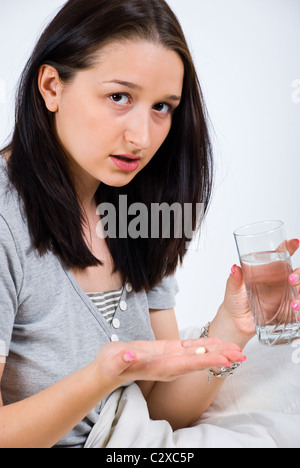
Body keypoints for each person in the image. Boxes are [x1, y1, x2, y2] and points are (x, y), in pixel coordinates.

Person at [0, 0, 299, 448]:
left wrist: (232, 324)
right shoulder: (7, 219)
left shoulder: (139, 209)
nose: (142, 137)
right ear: (51, 87)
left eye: (162, 107)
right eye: (119, 97)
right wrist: (104, 373)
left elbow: (160, 409)